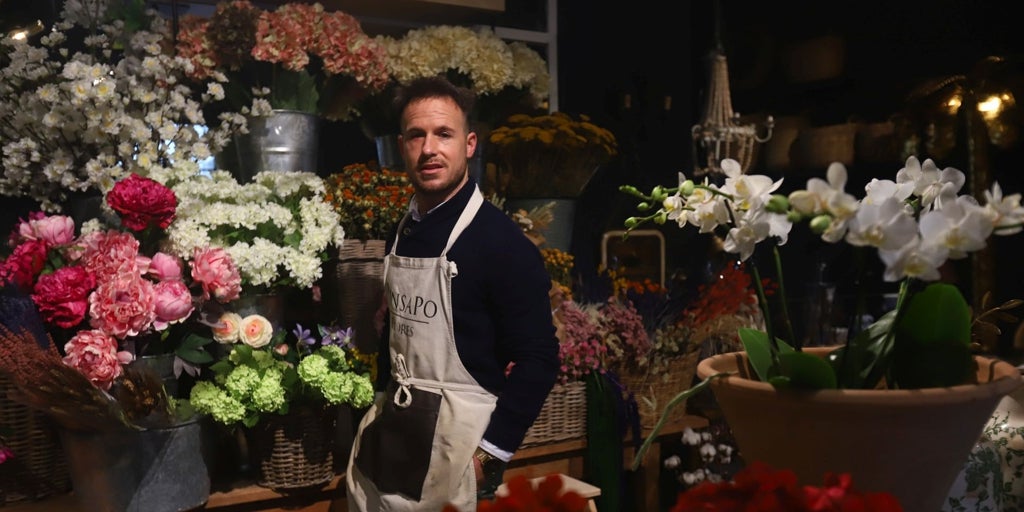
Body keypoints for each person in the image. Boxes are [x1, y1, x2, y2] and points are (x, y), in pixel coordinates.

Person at [346, 76, 560, 512]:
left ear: (469, 144)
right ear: (401, 145)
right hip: (394, 443)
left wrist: (488, 458)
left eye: (444, 134)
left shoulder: (502, 245)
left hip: (456, 453)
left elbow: (540, 360)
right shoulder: (402, 233)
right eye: (416, 135)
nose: (429, 149)